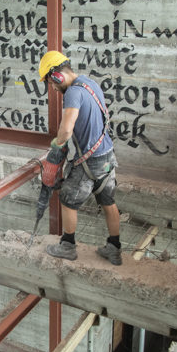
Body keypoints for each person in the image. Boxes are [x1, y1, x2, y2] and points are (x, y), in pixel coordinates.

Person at [38, 51, 122, 265]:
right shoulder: (90, 84)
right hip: (107, 157)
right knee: (108, 201)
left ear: (56, 76)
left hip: (90, 161)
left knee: (67, 199)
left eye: (52, 83)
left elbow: (66, 130)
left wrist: (57, 145)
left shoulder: (72, 93)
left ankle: (67, 246)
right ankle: (114, 248)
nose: (54, 89)